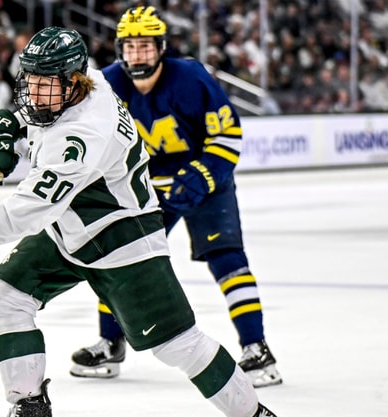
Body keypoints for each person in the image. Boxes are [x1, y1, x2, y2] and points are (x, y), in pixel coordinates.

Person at [0, 27, 277, 417]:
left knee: (178, 345)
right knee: (6, 295)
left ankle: (253, 413)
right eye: (30, 81)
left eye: (44, 84)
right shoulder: (88, 80)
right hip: (72, 226)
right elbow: (44, 122)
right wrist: (14, 124)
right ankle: (29, 406)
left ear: (72, 81)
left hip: (123, 238)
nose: (33, 92)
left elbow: (30, 208)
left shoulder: (82, 134)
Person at [69, 6, 282, 389]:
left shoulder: (191, 78)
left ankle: (257, 348)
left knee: (227, 260)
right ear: (120, 49)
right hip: (147, 189)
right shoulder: (106, 85)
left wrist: (200, 177)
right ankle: (111, 342)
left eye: (145, 46)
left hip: (204, 183)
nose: (138, 55)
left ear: (161, 47)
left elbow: (228, 135)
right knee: (118, 257)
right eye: (130, 47)